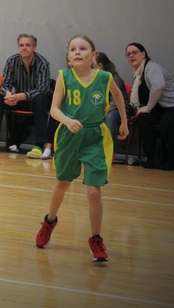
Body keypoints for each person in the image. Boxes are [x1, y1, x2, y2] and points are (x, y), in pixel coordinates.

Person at [35, 35, 128, 262]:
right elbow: (54, 109)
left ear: (92, 55)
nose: (77, 52)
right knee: (63, 183)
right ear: (68, 56)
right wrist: (67, 121)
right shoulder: (64, 76)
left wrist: (124, 121)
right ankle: (49, 221)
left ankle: (95, 238)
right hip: (69, 135)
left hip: (95, 136)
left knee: (94, 190)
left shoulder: (105, 77)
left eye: (83, 48)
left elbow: (118, 95)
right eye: (73, 49)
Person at [0, 33, 52, 157]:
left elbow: (43, 89)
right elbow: (4, 85)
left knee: (41, 100)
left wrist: (21, 96)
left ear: (34, 47)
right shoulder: (12, 61)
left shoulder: (43, 63)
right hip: (18, 100)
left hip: (35, 101)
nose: (24, 48)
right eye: (21, 45)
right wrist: (8, 94)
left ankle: (39, 145)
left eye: (28, 45)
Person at [125, 42, 174, 170]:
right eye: (128, 54)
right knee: (143, 119)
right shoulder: (138, 73)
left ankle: (170, 160)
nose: (131, 56)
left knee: (166, 125)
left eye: (134, 52)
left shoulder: (152, 68)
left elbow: (158, 86)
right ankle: (150, 159)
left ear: (143, 54)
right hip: (159, 107)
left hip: (170, 105)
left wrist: (148, 108)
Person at [93, 52, 130, 147]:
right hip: (104, 108)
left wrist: (103, 111)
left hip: (118, 108)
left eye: (92, 65)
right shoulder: (95, 78)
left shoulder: (113, 78)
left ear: (99, 66)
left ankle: (110, 145)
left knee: (110, 117)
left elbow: (115, 100)